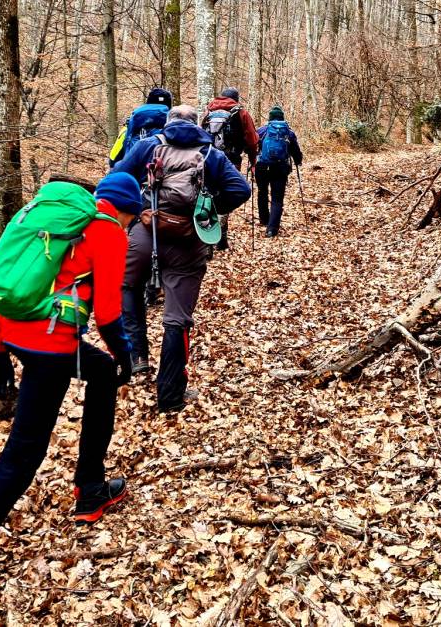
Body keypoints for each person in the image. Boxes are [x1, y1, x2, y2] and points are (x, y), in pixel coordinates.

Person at [0, 172, 144, 604]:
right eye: (132, 218)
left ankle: (90, 485)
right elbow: (110, 313)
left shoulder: (36, 215)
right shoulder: (105, 232)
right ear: (127, 210)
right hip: (50, 347)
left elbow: (4, 292)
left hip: (19, 336)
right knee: (21, 458)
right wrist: (127, 356)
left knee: (100, 373)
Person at [112, 106, 251, 412]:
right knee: (177, 319)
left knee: (126, 285)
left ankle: (137, 356)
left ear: (168, 122)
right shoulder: (210, 152)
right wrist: (207, 210)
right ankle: (170, 396)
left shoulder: (148, 145)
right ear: (197, 123)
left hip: (145, 234)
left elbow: (115, 179)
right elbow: (241, 189)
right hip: (189, 239)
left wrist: (138, 209)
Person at [256, 106, 303, 238]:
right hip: (280, 168)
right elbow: (295, 151)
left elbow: (252, 144)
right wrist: (298, 161)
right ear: (282, 118)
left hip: (262, 167)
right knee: (277, 198)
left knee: (262, 192)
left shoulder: (262, 130)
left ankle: (264, 219)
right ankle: (272, 229)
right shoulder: (288, 132)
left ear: (269, 118)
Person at [108, 88, 173, 168]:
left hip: (135, 177)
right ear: (169, 106)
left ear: (148, 103)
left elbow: (112, 159)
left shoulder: (129, 127)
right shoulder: (175, 128)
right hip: (166, 177)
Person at [203, 88, 259, 173]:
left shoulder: (208, 111)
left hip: (209, 158)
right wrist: (253, 161)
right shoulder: (242, 113)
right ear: (236, 99)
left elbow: (201, 133)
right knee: (230, 184)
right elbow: (251, 140)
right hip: (232, 160)